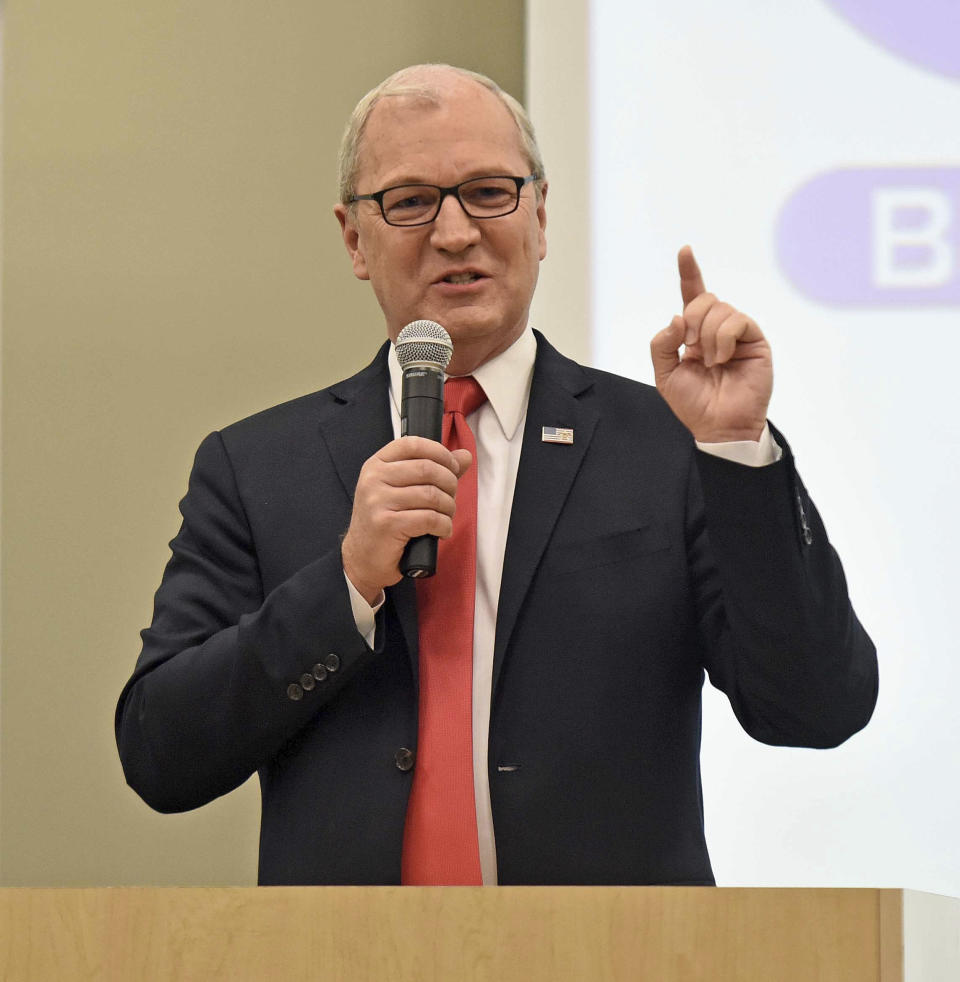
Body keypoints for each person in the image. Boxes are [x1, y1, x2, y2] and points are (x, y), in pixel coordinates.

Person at [115, 64, 878, 886]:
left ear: (541, 216)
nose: (454, 233)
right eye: (410, 201)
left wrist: (735, 450)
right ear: (352, 240)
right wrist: (345, 585)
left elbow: (816, 707)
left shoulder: (665, 444)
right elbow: (162, 752)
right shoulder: (258, 466)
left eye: (488, 192)